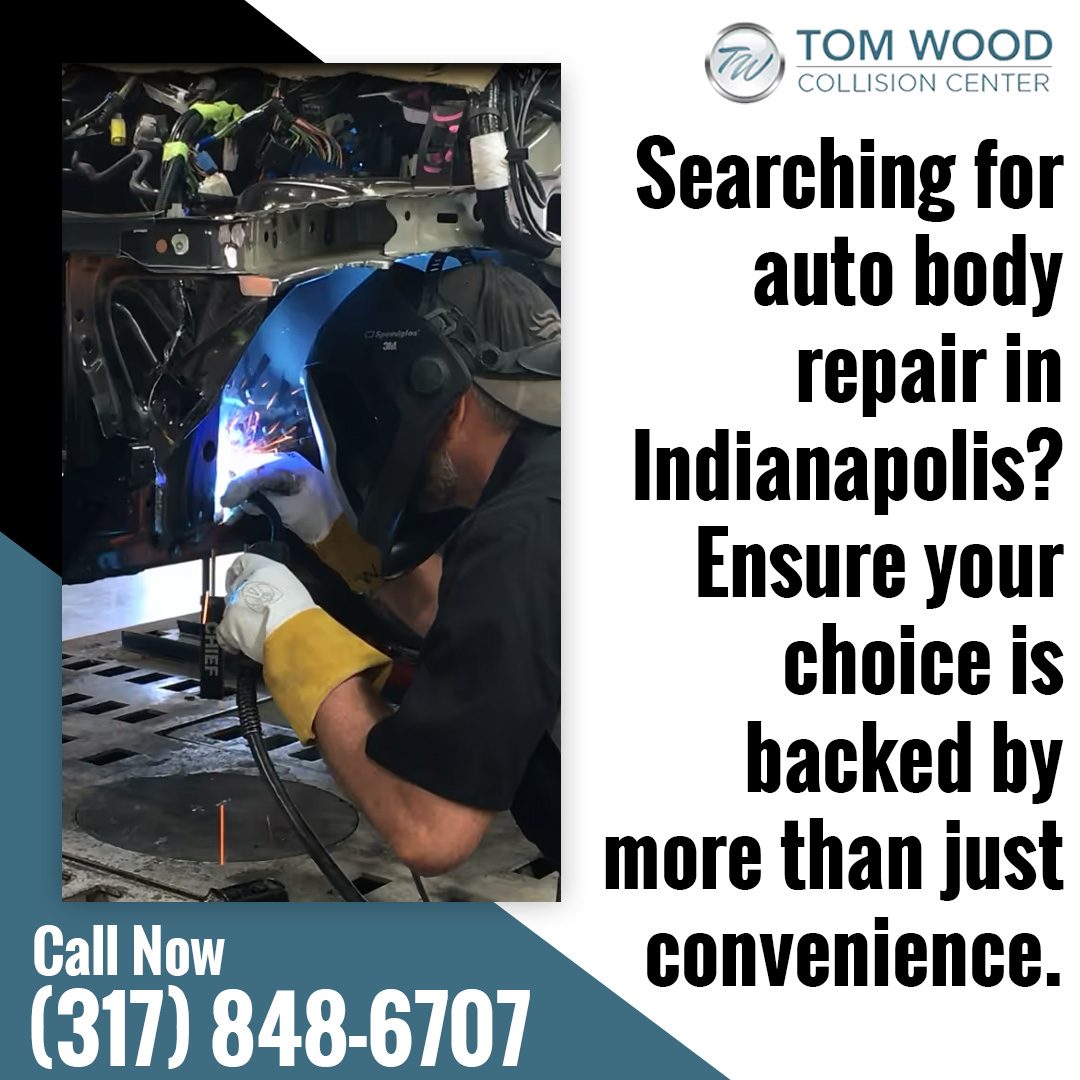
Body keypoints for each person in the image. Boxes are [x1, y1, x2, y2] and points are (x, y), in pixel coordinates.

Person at [218, 258, 561, 878]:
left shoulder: (519, 533)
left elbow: (431, 828)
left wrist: (296, 643)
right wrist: (332, 533)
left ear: (447, 405)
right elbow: (475, 631)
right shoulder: (550, 483)